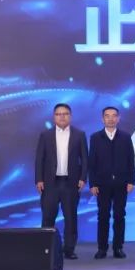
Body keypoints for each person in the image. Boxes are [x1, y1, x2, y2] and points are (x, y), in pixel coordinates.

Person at [34, 103, 87, 259]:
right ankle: (46, 250)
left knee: (70, 218)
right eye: (58, 114)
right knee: (48, 217)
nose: (62, 117)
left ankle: (69, 249)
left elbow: (85, 159)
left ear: (70, 116)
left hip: (71, 183)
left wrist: (83, 178)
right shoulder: (45, 135)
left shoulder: (79, 134)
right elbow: (39, 159)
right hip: (50, 183)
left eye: (65, 114)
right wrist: (39, 179)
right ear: (54, 117)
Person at [87, 106, 135, 259]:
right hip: (102, 184)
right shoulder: (95, 137)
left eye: (114, 116)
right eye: (107, 116)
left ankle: (118, 247)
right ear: (102, 119)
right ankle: (102, 248)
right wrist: (92, 183)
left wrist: (131, 181)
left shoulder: (125, 137)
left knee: (120, 215)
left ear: (118, 118)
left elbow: (131, 160)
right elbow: (91, 162)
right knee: (103, 216)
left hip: (121, 183)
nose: (111, 119)